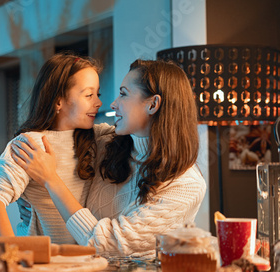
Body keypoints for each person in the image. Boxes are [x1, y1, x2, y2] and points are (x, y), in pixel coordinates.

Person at [11, 59, 206, 257]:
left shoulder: (186, 185)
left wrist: (51, 181)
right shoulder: (106, 143)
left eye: (123, 94)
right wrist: (30, 194)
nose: (113, 104)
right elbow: (55, 135)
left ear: (153, 104)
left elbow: (108, 244)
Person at [0, 53, 113, 243]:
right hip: (39, 258)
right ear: (58, 101)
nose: (99, 102)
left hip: (84, 256)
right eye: (88, 95)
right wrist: (10, 255)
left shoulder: (98, 137)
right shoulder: (30, 144)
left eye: (98, 94)